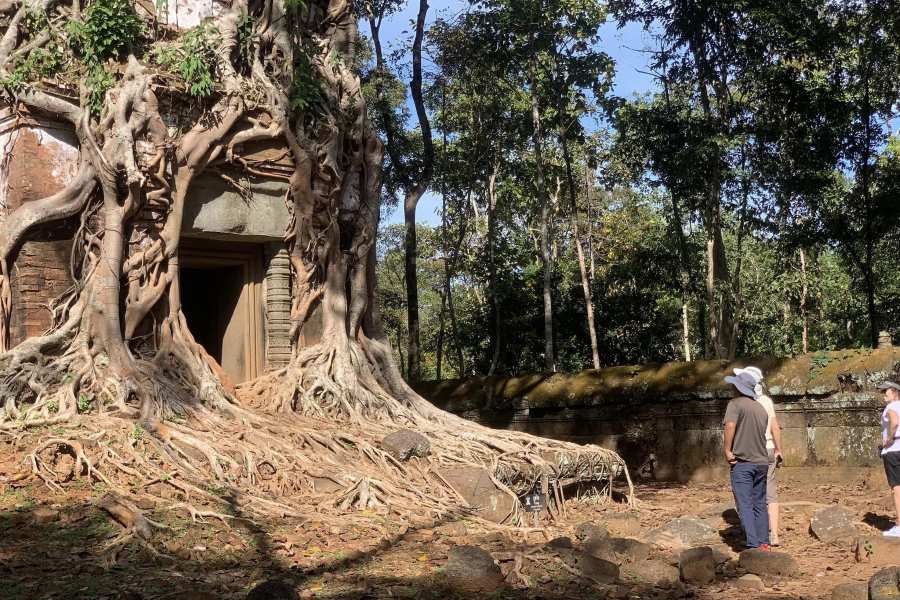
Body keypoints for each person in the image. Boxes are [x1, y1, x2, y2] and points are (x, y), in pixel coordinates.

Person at [723, 367, 770, 549]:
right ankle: (764, 543)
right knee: (760, 503)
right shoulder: (761, 409)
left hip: (743, 463)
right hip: (762, 462)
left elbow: (730, 426)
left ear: (738, 388)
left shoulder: (735, 405)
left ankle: (753, 545)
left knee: (745, 505)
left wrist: (727, 450)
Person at [742, 366, 784, 546]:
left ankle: (755, 536)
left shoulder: (743, 403)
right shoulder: (766, 401)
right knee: (771, 494)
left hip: (750, 452)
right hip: (767, 449)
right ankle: (773, 534)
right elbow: (775, 427)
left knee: (751, 494)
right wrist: (778, 448)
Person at [877, 380, 900, 538]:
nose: (883, 394)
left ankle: (899, 525)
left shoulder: (891, 407)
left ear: (894, 392)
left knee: (897, 489)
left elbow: (895, 421)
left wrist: (889, 439)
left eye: (886, 391)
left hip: (893, 450)